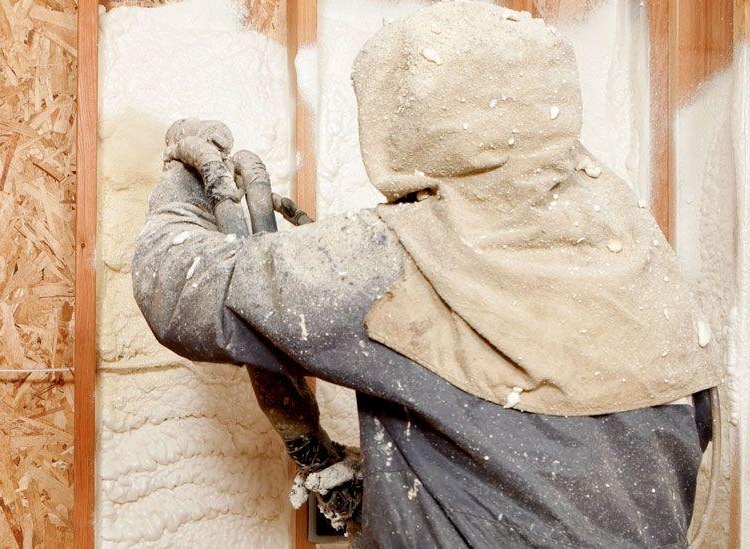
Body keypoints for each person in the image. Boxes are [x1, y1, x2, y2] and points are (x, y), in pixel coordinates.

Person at [131, 2, 720, 546]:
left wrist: (184, 171)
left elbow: (177, 286)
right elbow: (564, 463)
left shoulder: (402, 257)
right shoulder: (634, 248)